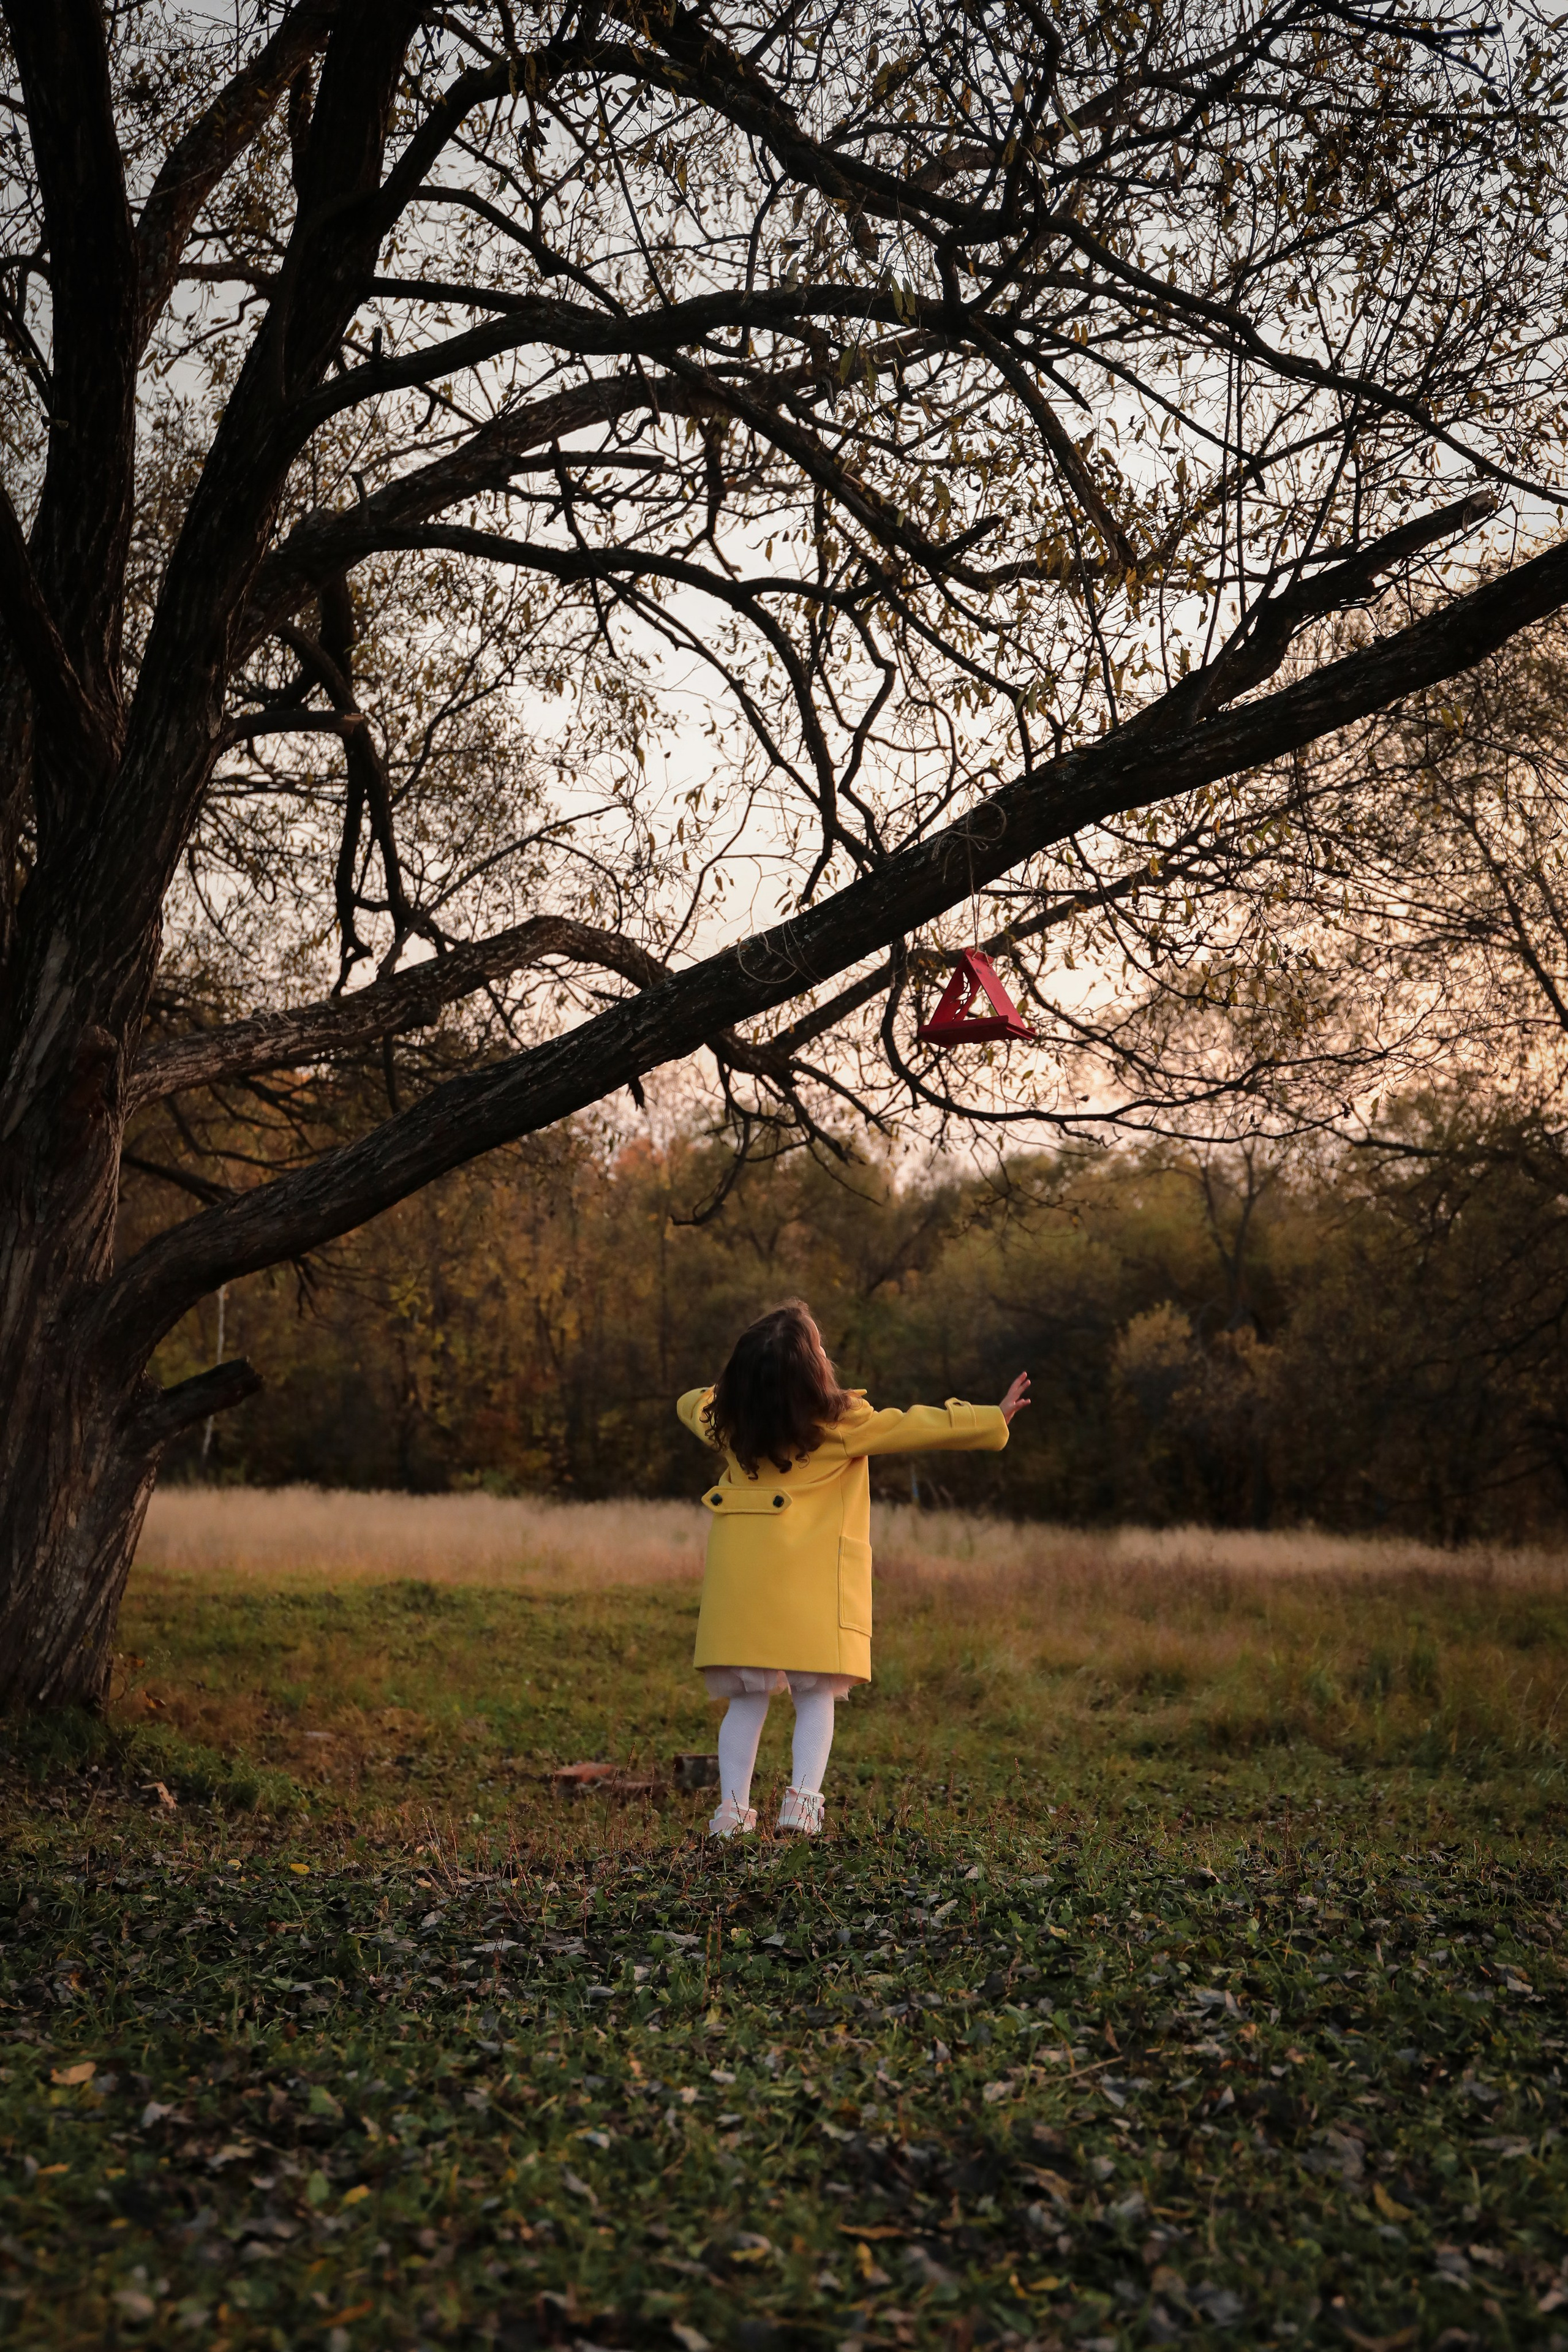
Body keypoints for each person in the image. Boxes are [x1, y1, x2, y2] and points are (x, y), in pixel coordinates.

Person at [677, 1300, 1030, 1838]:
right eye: (819, 1348)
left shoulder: (727, 1424)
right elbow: (918, 1426)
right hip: (813, 1589)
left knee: (745, 1702)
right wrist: (991, 1418)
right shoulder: (842, 1425)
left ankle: (731, 1814)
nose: (826, 1353)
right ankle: (801, 1805)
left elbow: (690, 1402)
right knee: (815, 1695)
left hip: (743, 1592)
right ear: (812, 1372)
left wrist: (739, 1390)